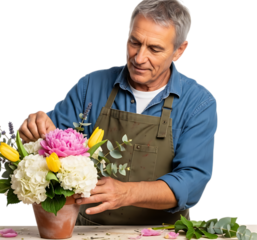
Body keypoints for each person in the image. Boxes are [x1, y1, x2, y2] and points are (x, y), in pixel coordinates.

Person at [18, 0, 218, 225]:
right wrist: (34, 131)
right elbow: (52, 148)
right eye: (134, 43)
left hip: (163, 233)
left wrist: (128, 193)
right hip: (87, 230)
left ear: (180, 51)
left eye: (154, 49)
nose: (139, 58)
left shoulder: (199, 102)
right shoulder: (89, 86)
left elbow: (192, 182)